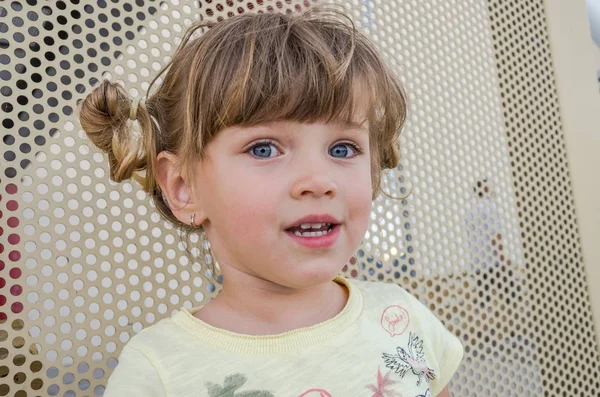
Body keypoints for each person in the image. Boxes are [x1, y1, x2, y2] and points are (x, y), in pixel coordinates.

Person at [78, 5, 463, 397]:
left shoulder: (403, 318)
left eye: (344, 149)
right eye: (264, 149)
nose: (318, 181)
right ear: (183, 187)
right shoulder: (159, 371)